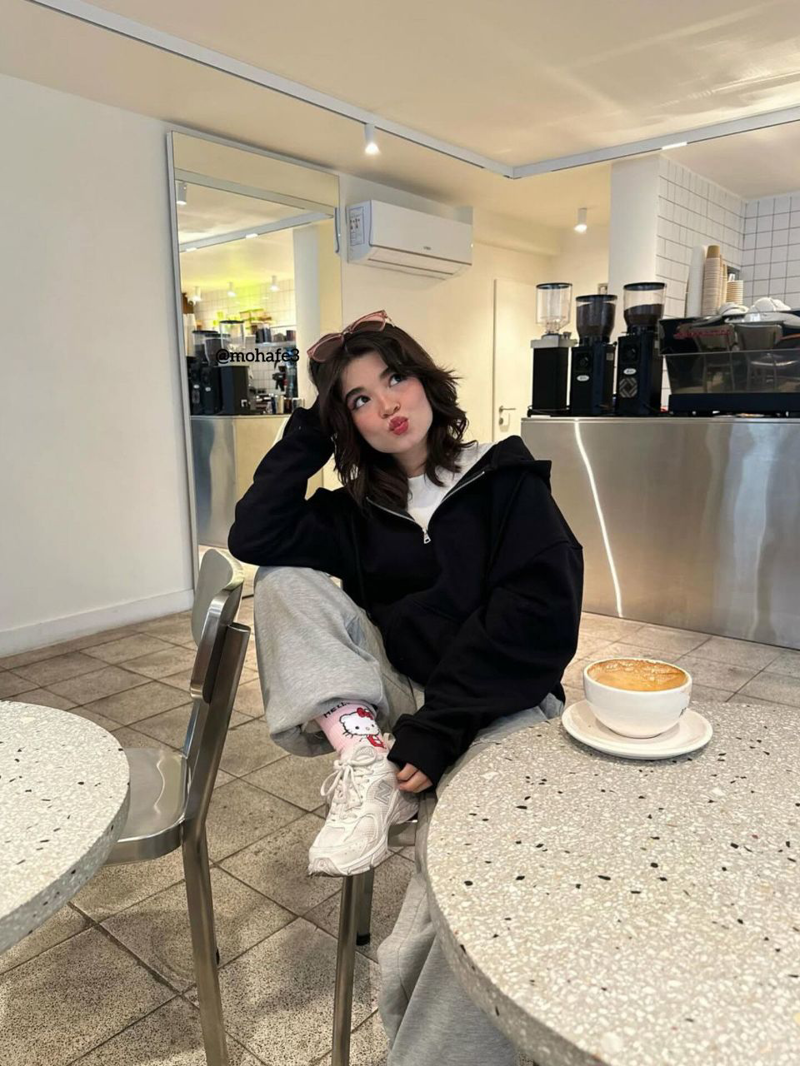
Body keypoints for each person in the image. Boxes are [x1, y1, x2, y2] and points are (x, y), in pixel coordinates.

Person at [228, 309, 583, 1066]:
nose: (387, 403)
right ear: (346, 423)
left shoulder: (506, 480)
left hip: (497, 705)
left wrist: (440, 728)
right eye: (359, 399)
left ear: (424, 380)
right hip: (396, 694)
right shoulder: (354, 512)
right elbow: (253, 534)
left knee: (458, 894)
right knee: (283, 579)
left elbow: (538, 619)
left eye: (394, 378)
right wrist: (313, 425)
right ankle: (363, 757)